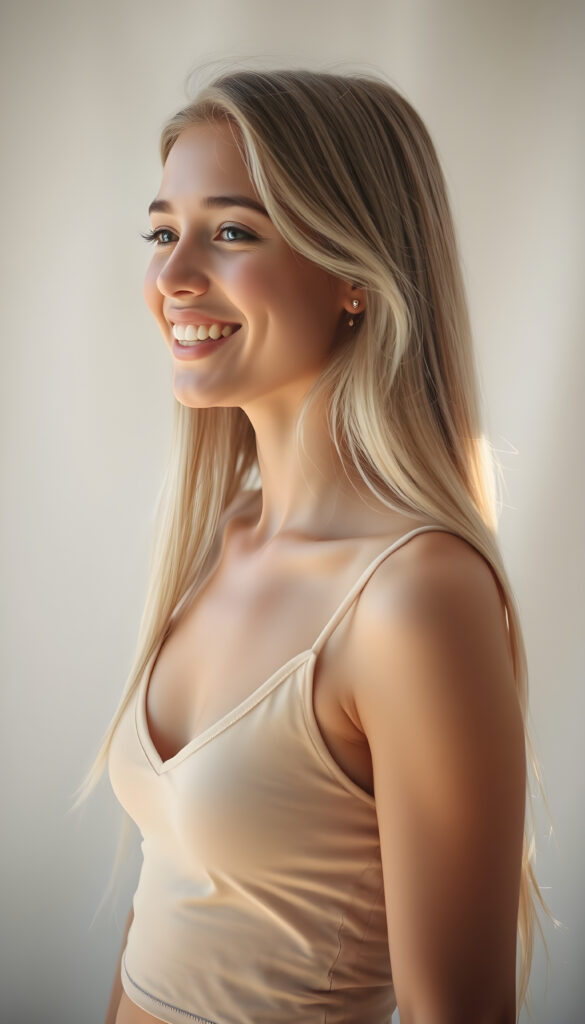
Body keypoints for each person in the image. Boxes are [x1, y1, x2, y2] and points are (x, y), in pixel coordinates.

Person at [76, 68, 542, 1024]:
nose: (172, 278)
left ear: (353, 278)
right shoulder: (221, 537)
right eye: (163, 233)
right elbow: (168, 915)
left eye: (232, 232)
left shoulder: (413, 597)